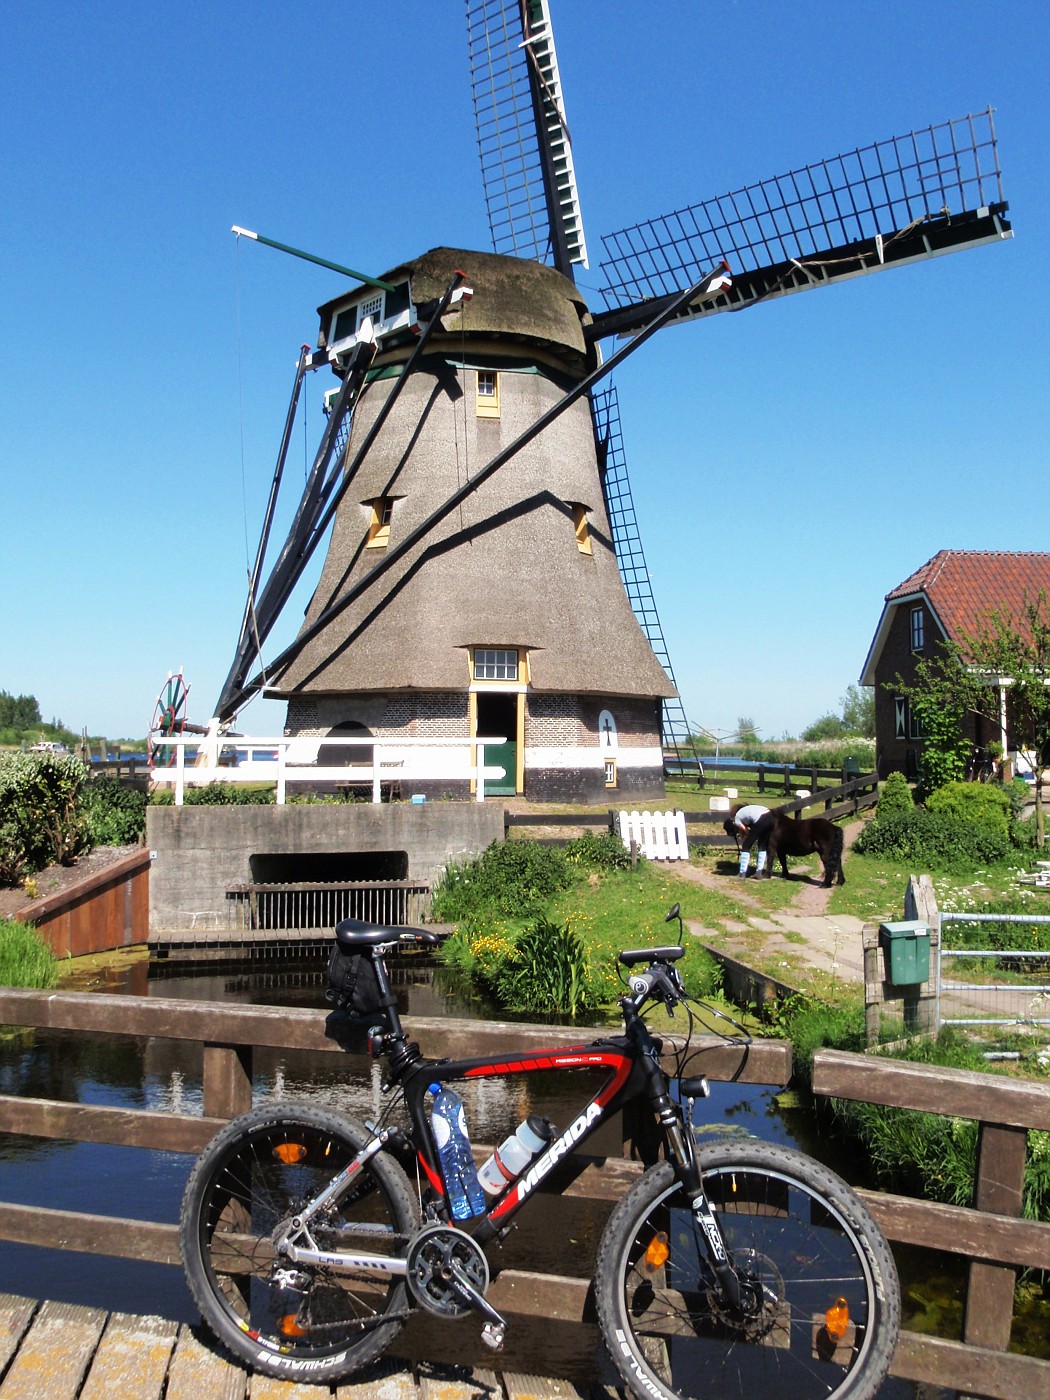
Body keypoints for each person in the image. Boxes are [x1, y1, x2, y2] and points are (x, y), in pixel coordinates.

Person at [722, 803, 772, 877]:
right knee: (762, 845)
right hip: (771, 816)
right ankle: (759, 873)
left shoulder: (736, 820)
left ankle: (742, 873)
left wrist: (748, 838)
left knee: (746, 846)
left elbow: (746, 831)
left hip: (761, 818)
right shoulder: (743, 813)